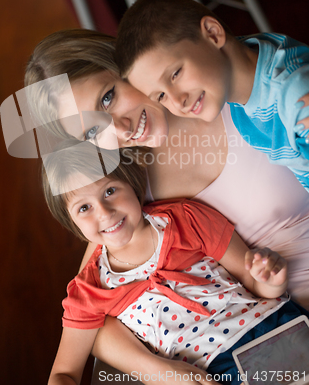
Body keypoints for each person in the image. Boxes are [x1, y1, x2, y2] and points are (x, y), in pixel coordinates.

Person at [24, 29, 309, 309]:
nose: (122, 128)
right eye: (92, 131)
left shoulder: (217, 79)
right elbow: (87, 307)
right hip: (278, 325)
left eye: (108, 97)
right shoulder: (126, 190)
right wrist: (158, 360)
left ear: (124, 65)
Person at [41, 142, 307, 385]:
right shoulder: (89, 290)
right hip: (211, 372)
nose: (104, 212)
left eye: (110, 191)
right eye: (84, 208)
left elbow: (255, 286)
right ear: (71, 222)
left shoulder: (184, 218)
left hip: (275, 325)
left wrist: (271, 280)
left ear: (132, 184)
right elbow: (64, 373)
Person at [115, 0, 309, 192]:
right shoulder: (246, 67)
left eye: (175, 74)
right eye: (161, 96)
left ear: (213, 34)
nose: (177, 100)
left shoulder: (295, 98)